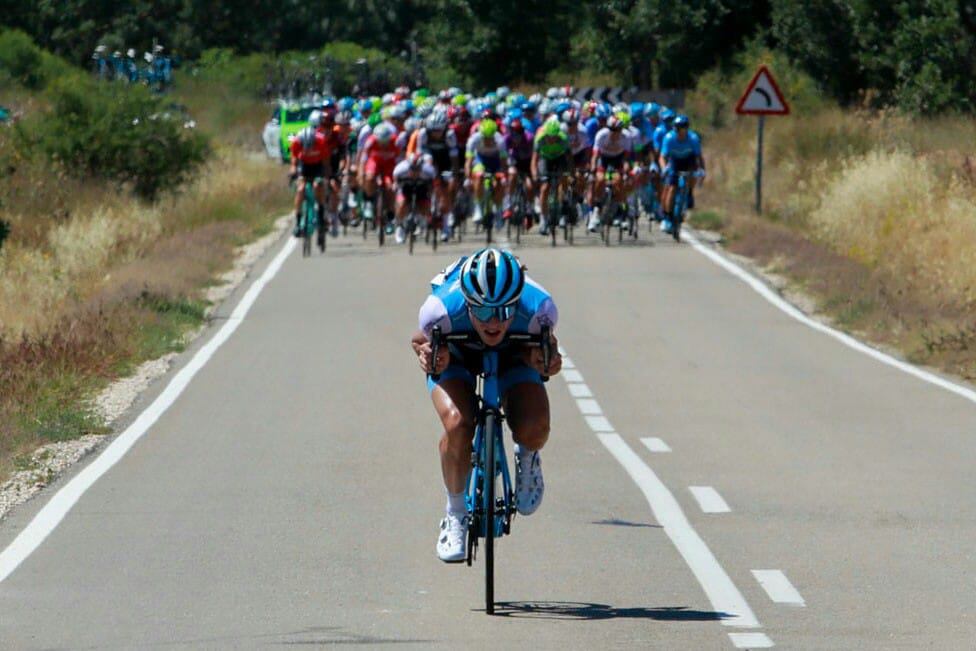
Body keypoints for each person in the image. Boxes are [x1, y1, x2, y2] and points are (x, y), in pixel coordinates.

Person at [412, 248, 563, 562]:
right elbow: (419, 340)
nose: (493, 322)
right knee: (457, 424)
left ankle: (528, 455)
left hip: (515, 351)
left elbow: (549, 346)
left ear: (517, 302)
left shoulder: (540, 308)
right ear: (466, 301)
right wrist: (428, 354)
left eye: (505, 312)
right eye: (482, 312)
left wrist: (547, 359)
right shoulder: (439, 309)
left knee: (534, 426)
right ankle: (455, 515)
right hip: (457, 353)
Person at [289, 111, 332, 245]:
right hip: (304, 166)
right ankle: (298, 221)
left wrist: (327, 177)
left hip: (317, 166)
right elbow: (294, 160)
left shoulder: (321, 141)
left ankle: (320, 214)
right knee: (301, 189)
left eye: (311, 146)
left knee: (317, 186)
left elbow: (326, 162)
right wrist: (293, 171)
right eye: (305, 147)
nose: (308, 149)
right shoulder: (296, 143)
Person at [658, 114, 705, 232]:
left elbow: (699, 157)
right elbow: (662, 156)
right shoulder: (669, 138)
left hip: (689, 160)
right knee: (671, 188)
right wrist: (664, 169)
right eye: (677, 128)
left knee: (693, 173)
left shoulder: (693, 139)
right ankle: (668, 217)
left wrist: (702, 170)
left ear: (687, 128)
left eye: (682, 128)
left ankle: (689, 192)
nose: (680, 131)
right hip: (674, 161)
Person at [393, 152, 436, 243]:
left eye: (418, 169)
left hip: (422, 188)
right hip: (405, 187)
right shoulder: (400, 169)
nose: (415, 172)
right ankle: (400, 226)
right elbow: (396, 184)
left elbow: (432, 188)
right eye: (412, 169)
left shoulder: (429, 171)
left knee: (425, 206)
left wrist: (430, 198)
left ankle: (421, 221)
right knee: (402, 204)